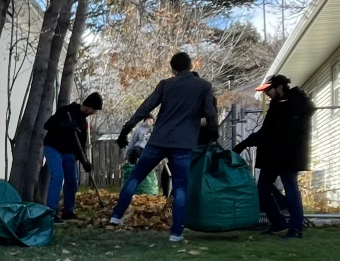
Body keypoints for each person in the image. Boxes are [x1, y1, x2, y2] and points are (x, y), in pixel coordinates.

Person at [113, 52, 218, 242]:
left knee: (136, 176)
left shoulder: (166, 85)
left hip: (158, 140)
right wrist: (213, 131)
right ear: (191, 66)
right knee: (180, 188)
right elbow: (211, 113)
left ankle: (117, 214)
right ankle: (176, 232)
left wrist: (126, 128)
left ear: (173, 69)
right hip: (183, 144)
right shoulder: (204, 86)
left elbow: (146, 107)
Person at [234, 74, 314, 239]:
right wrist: (243, 145)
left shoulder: (294, 104)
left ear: (279, 88)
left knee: (291, 190)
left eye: (269, 90)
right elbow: (268, 132)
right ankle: (278, 222)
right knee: (262, 190)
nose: (267, 94)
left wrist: (242, 145)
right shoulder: (279, 104)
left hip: (288, 157)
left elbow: (268, 133)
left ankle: (296, 228)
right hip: (273, 157)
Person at [42, 92, 102, 223]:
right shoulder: (66, 111)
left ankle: (68, 211)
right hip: (53, 148)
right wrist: (64, 126)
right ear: (88, 107)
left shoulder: (82, 122)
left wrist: (85, 161)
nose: (93, 113)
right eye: (94, 110)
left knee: (72, 181)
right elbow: (47, 125)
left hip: (68, 153)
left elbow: (81, 145)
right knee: (57, 176)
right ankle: (51, 212)